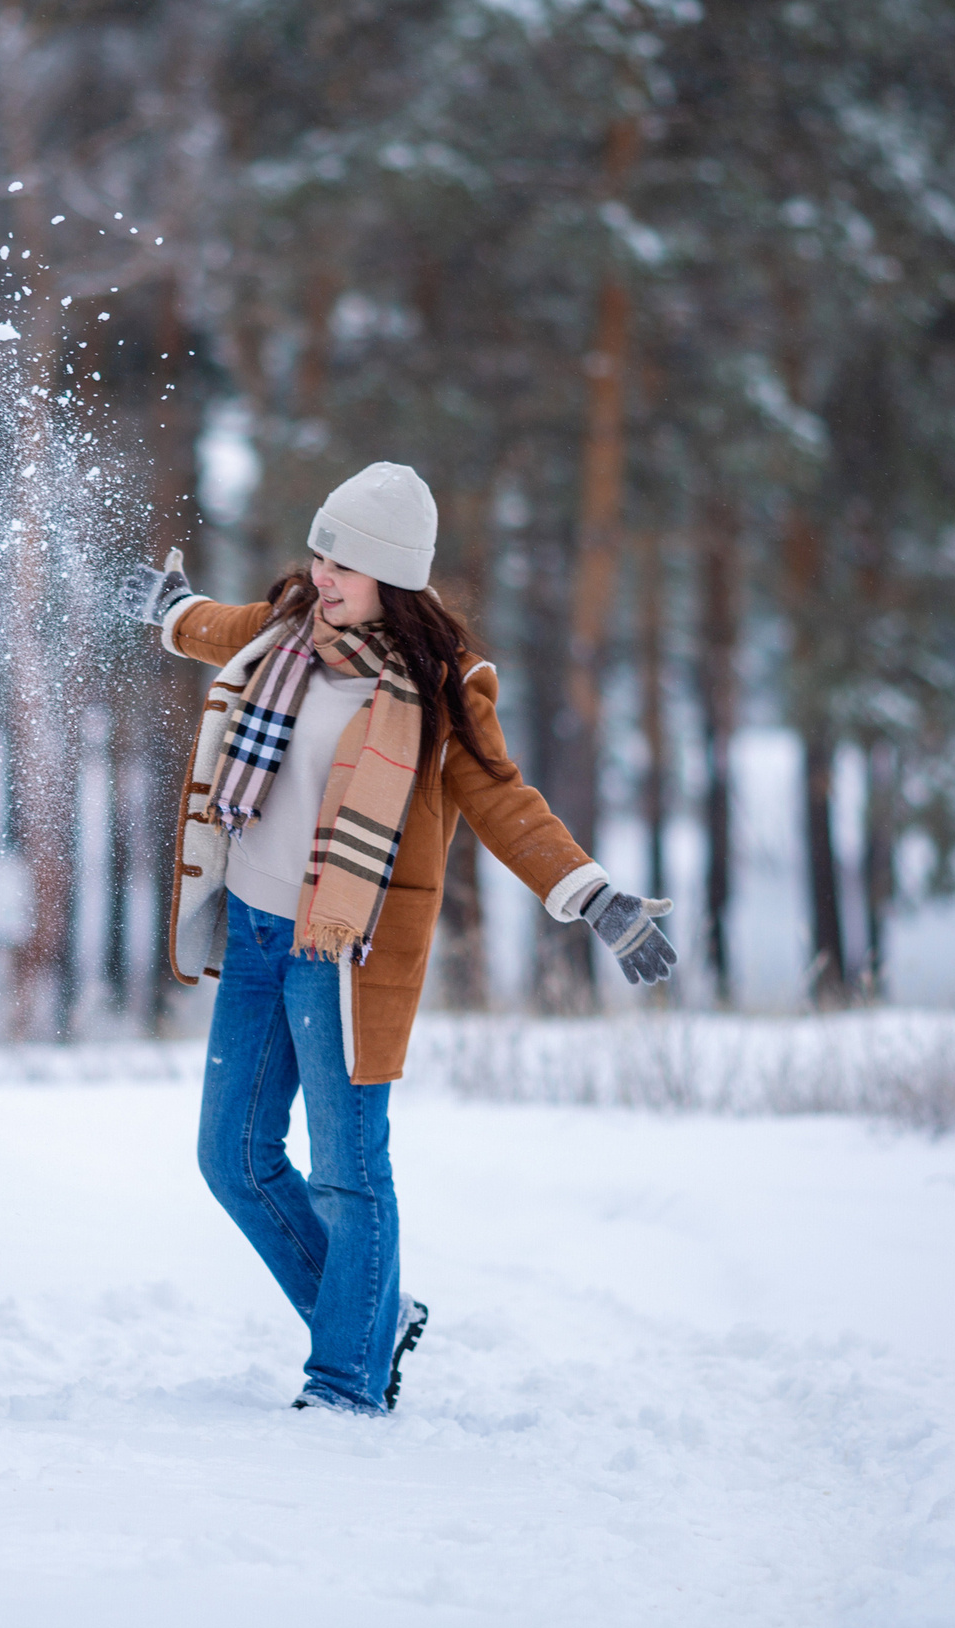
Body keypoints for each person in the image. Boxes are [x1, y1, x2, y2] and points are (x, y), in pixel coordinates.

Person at [126, 461, 676, 1416]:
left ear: (392, 576)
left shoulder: (440, 689)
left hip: (344, 953)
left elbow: (505, 801)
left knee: (348, 1171)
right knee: (233, 1157)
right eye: (318, 551)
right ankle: (376, 1315)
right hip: (257, 934)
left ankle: (346, 1379)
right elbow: (218, 626)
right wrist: (172, 611)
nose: (321, 574)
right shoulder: (287, 627)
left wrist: (590, 895)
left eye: (342, 562)